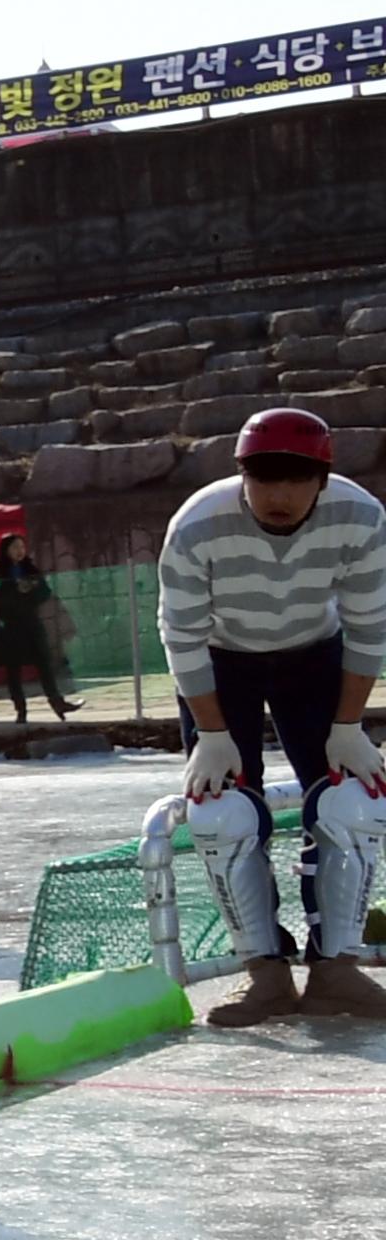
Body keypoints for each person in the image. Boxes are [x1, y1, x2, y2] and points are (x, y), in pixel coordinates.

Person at [159, 407, 386, 1025]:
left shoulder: (361, 517)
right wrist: (211, 732)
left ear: (322, 478)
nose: (278, 494)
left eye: (295, 478)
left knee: (356, 802)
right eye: (263, 478)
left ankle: (336, 970)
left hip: (315, 655)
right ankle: (264, 975)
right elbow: (180, 634)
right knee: (221, 810)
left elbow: (369, 626)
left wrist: (348, 726)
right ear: (242, 476)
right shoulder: (198, 525)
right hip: (219, 660)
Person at [0, 534, 76, 719]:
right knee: (14, 670)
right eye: (15, 548)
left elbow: (44, 593)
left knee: (44, 664)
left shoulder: (30, 568)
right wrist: (15, 590)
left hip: (32, 623)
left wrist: (30, 589)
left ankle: (57, 703)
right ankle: (21, 709)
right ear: (6, 550)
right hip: (11, 627)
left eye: (21, 547)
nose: (19, 551)